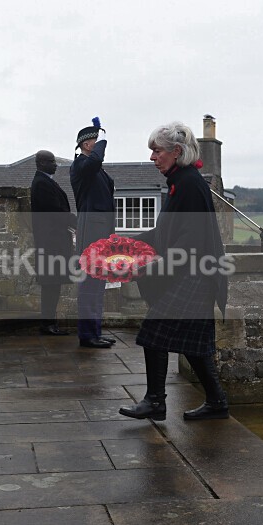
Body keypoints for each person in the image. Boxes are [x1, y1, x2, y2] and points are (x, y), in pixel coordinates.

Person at [120, 121, 229, 422]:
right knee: (194, 346)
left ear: (176, 151)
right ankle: (217, 403)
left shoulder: (190, 184)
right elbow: (164, 233)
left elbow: (190, 242)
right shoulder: (179, 181)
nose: (152, 157)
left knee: (155, 333)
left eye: (157, 151)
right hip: (194, 272)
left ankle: (155, 401)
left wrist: (151, 265)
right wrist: (125, 243)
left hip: (197, 274)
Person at [70, 118, 116, 349]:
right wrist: (103, 138)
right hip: (91, 235)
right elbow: (95, 160)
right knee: (90, 287)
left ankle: (94, 332)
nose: (98, 144)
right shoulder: (81, 166)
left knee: (98, 286)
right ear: (86, 144)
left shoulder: (94, 168)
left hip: (102, 234)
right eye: (95, 140)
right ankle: (88, 335)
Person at [31, 150, 76, 335]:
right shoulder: (42, 184)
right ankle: (48, 324)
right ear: (42, 163)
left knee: (53, 284)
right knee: (51, 284)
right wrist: (78, 223)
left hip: (53, 241)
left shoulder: (46, 181)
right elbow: (56, 212)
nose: (56, 164)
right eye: (52, 162)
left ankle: (50, 323)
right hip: (50, 243)